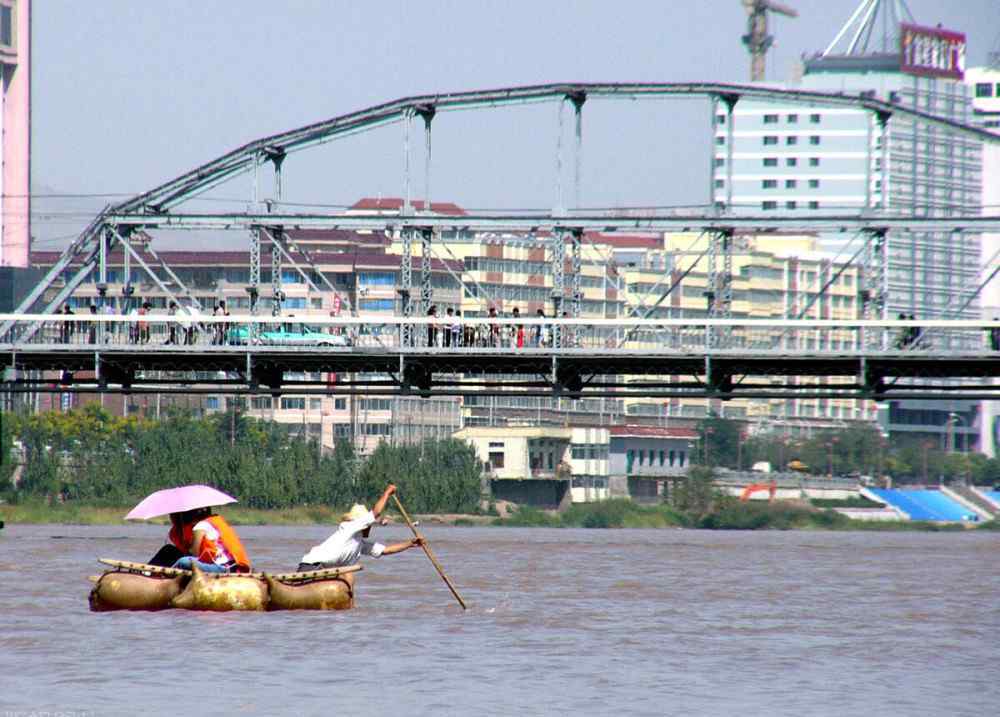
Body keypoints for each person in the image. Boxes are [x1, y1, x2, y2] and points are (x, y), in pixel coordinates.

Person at [296, 484, 422, 571]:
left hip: (324, 573)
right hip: (312, 566)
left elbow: (386, 550)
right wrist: (387, 493)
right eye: (368, 525)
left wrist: (410, 543)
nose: (369, 528)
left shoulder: (359, 543)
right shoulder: (351, 527)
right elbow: (376, 513)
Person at [153, 507, 252, 573]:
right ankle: (149, 569)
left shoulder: (201, 526)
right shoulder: (213, 521)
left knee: (183, 562)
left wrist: (190, 545)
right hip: (226, 565)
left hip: (223, 568)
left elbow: (194, 553)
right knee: (168, 550)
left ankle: (161, 577)